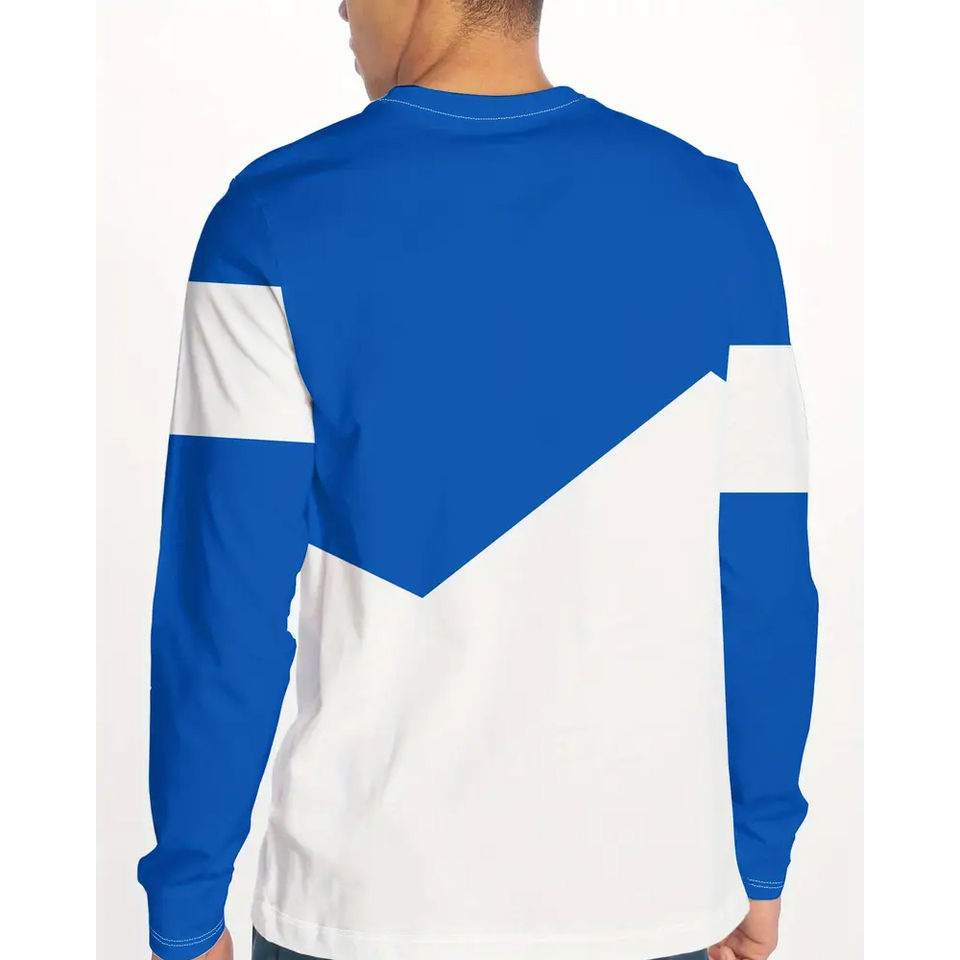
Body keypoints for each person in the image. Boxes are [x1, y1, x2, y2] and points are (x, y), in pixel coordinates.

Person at [138, 1, 819, 959]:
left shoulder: (272, 218)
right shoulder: (716, 214)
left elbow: (226, 603)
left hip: (368, 909)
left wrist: (186, 903)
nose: (340, 5)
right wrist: (759, 857)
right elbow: (764, 579)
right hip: (646, 896)